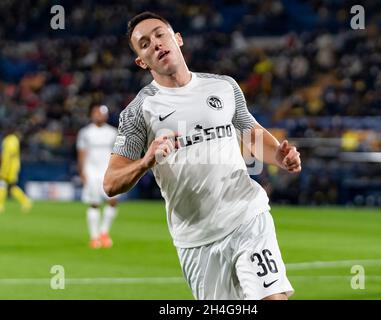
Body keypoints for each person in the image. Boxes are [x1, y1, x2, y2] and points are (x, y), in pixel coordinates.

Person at [103, 12, 302, 300]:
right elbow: (110, 183)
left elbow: (251, 133)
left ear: (178, 39)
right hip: (196, 240)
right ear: (141, 62)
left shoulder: (223, 86)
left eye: (160, 34)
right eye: (145, 44)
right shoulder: (138, 112)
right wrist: (147, 161)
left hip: (247, 215)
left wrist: (280, 158)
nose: (156, 44)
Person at [77, 104, 119, 249]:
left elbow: (118, 153)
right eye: (96, 113)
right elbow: (81, 152)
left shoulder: (113, 132)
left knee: (113, 201)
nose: (98, 115)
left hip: (107, 171)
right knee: (93, 203)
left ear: (106, 116)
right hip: (91, 171)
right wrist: (82, 171)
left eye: (101, 113)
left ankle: (104, 232)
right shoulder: (85, 132)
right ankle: (94, 237)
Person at [0, 128, 32, 214]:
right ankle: (25, 201)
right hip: (12, 167)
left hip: (9, 167)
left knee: (2, 184)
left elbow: (9, 156)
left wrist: (5, 170)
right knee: (10, 186)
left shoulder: (9, 140)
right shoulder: (13, 139)